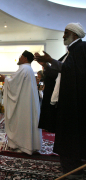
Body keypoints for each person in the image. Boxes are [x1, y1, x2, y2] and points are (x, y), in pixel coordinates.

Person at [34, 22, 86, 177]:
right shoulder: (70, 52)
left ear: (75, 35)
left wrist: (50, 60)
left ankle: (74, 166)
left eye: (66, 32)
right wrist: (46, 65)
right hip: (66, 102)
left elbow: (72, 71)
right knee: (66, 134)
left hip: (75, 103)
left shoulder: (81, 48)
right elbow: (59, 74)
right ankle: (68, 163)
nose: (63, 35)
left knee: (72, 135)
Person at [0, 50, 42, 155]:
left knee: (21, 123)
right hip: (26, 102)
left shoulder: (24, 68)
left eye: (21, 56)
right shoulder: (29, 69)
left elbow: (13, 84)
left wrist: (5, 79)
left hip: (23, 105)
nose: (19, 58)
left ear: (25, 58)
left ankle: (22, 145)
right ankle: (27, 144)